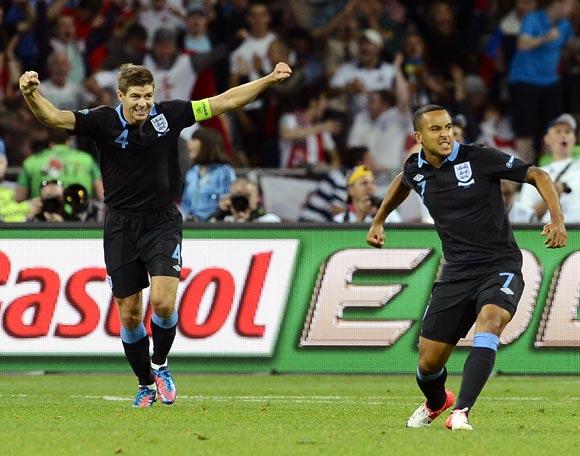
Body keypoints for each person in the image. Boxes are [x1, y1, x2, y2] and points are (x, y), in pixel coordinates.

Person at [19, 61, 292, 407]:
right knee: (130, 314)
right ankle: (145, 383)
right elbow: (54, 118)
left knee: (163, 303)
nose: (142, 104)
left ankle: (160, 364)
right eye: (135, 97)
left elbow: (225, 101)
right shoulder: (103, 121)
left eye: (148, 96)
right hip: (120, 226)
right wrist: (31, 94)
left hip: (162, 221)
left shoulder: (171, 115)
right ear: (121, 95)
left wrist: (268, 80)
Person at [366, 105, 566, 431]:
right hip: (456, 272)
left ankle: (461, 411)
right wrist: (379, 219)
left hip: (499, 264)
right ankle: (437, 402)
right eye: (436, 130)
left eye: (447, 127)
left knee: (491, 321)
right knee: (428, 363)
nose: (445, 134)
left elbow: (538, 174)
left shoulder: (478, 158)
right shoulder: (416, 168)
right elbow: (404, 181)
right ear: (418, 137)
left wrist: (556, 219)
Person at [518, 113, 580, 223]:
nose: (563, 135)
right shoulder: (534, 173)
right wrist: (551, 196)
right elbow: (524, 219)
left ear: (574, 139)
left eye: (568, 131)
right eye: (558, 131)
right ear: (547, 139)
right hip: (546, 236)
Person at [180, 126, 236, 221]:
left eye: (194, 139)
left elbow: (225, 203)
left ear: (206, 144)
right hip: (188, 226)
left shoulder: (224, 171)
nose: (188, 143)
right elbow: (185, 204)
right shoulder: (192, 172)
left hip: (212, 228)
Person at [333, 165, 401, 223]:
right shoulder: (338, 221)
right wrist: (361, 216)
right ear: (350, 190)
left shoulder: (389, 213)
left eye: (373, 183)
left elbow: (398, 236)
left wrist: (380, 216)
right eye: (364, 183)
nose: (370, 187)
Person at [210, 177, 281, 223]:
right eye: (237, 196)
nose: (242, 200)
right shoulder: (223, 220)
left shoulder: (269, 219)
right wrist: (220, 212)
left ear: (258, 198)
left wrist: (248, 220)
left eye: (247, 196)